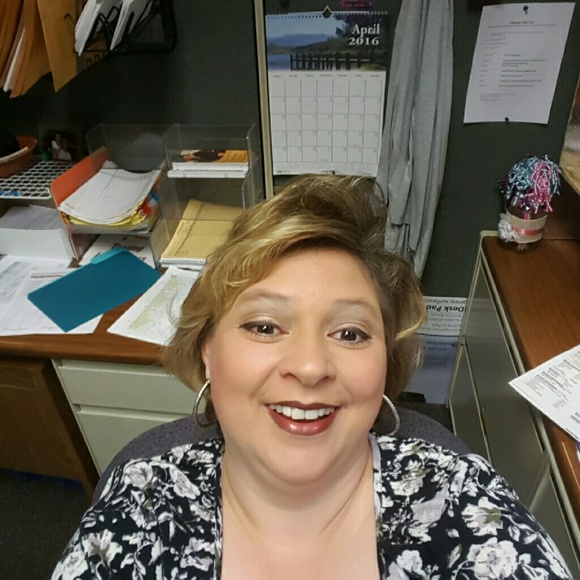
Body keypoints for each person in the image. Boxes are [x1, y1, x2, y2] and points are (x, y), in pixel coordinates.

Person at [52, 174, 572, 579]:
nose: (309, 367)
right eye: (264, 326)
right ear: (208, 351)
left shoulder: (465, 507)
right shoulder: (139, 508)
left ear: (385, 363)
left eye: (350, 333)